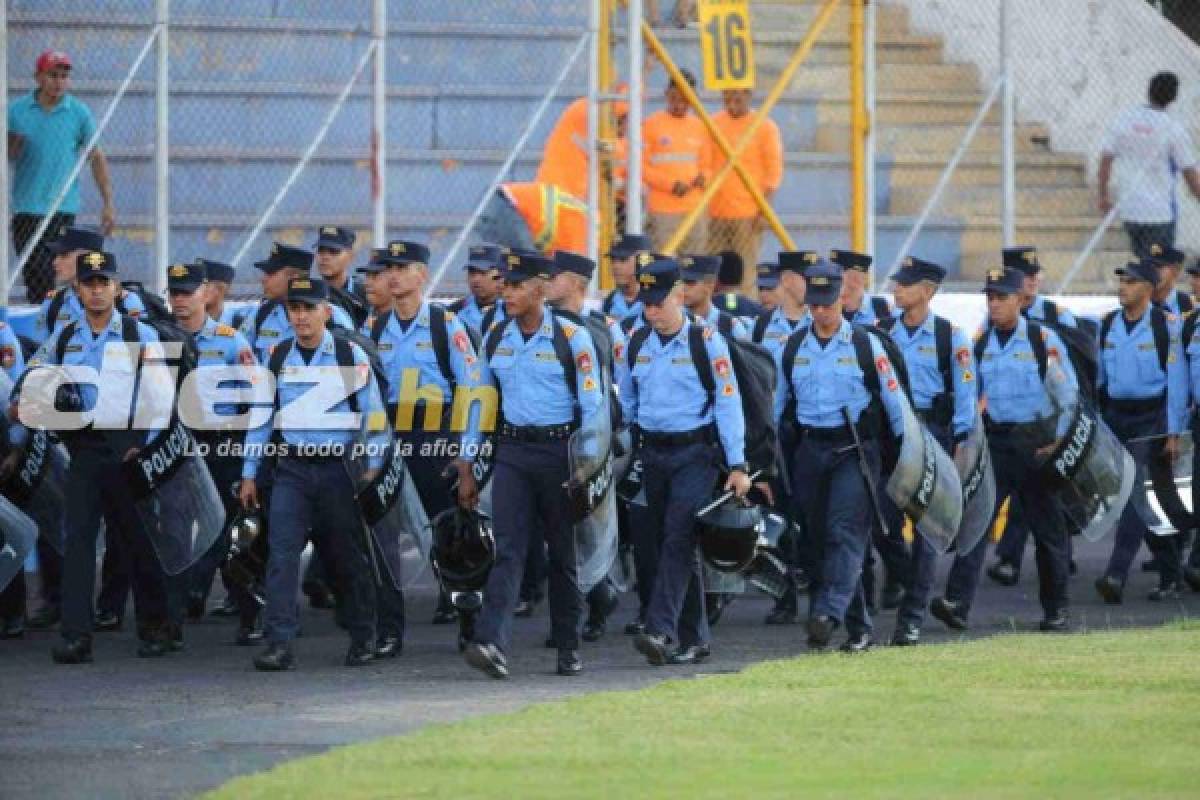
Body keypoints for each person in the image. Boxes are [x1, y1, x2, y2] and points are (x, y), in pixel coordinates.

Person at [8, 250, 169, 663]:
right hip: (83, 450)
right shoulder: (63, 338)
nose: (97, 291)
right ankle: (76, 635)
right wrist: (26, 398)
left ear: (116, 287)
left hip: (127, 449)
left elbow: (161, 398)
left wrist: (144, 444)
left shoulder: (139, 336)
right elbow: (31, 376)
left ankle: (156, 627)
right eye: (89, 283)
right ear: (77, 289)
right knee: (76, 542)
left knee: (137, 542)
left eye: (104, 283)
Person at [464, 251, 605, 679]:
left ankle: (568, 645)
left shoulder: (571, 338)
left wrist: (588, 465)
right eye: (504, 284)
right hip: (512, 453)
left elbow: (593, 405)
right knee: (507, 549)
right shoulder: (494, 336)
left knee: (563, 554)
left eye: (517, 285)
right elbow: (481, 402)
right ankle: (491, 642)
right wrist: (468, 461)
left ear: (540, 289)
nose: (507, 293)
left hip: (561, 454)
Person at [238, 277, 390, 671]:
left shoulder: (348, 356)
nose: (301, 316)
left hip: (338, 469)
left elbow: (373, 415)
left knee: (346, 557)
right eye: (295, 309)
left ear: (327, 311)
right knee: (281, 555)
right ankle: (279, 643)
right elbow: (260, 418)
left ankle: (363, 635)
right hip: (292, 470)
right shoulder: (276, 356)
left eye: (309, 308)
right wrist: (250, 472)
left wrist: (373, 466)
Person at [621, 255, 751, 665]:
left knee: (678, 536)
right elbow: (627, 401)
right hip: (652, 454)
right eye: (647, 302)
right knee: (669, 544)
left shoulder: (706, 342)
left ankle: (659, 629)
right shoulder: (635, 342)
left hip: (695, 454)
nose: (652, 310)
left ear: (679, 294)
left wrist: (737, 464)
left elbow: (729, 404)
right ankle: (695, 638)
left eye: (659, 301)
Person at [931, 267, 1077, 633]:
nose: (994, 304)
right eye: (990, 297)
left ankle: (1055, 608)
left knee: (1048, 531)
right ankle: (957, 604)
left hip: (1037, 443)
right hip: (996, 442)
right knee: (975, 522)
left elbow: (1068, 395)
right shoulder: (981, 344)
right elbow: (969, 394)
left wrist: (1060, 442)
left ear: (1021, 300)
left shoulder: (1043, 340)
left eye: (1002, 297)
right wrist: (964, 439)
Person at [773, 259, 906, 652]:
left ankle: (827, 613)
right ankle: (859, 627)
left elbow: (895, 404)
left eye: (827, 304)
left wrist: (904, 459)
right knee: (815, 540)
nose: (820, 312)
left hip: (855, 450)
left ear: (842, 300)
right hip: (811, 450)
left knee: (844, 534)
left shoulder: (867, 344)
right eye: (814, 304)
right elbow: (778, 407)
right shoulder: (794, 347)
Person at [364, 240, 483, 636]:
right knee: (384, 530)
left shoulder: (445, 326)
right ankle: (389, 630)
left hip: (434, 435)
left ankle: (465, 612)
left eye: (403, 266)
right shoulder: (373, 328)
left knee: (445, 527)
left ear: (422, 275)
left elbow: (471, 390)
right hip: (390, 435)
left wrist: (466, 455)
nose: (393, 275)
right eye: (388, 268)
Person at [880, 257, 978, 646]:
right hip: (892, 437)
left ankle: (912, 618)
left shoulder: (950, 337)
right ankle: (906, 580)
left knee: (926, 532)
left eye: (905, 284)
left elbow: (966, 395)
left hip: (933, 437)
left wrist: (960, 444)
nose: (896, 290)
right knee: (881, 523)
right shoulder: (883, 332)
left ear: (927, 290)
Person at [163, 261, 261, 643]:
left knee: (230, 532)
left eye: (188, 292)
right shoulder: (161, 341)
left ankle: (249, 613)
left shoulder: (230, 340)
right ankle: (170, 622)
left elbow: (255, 399)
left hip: (222, 445)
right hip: (179, 446)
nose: (181, 300)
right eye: (175, 293)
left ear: (205, 293)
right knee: (173, 531)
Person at [1093, 258, 1188, 604]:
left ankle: (1116, 573)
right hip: (1118, 416)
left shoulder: (1167, 327)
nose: (1123, 288)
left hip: (1153, 417)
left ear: (1148, 289)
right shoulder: (1107, 327)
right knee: (1144, 501)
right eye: (1121, 281)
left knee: (1135, 494)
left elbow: (1177, 383)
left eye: (1131, 282)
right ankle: (1172, 572)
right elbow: (1100, 381)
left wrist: (1173, 429)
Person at [546, 249, 629, 642]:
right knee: (565, 531)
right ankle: (595, 597)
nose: (548, 280)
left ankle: (593, 600)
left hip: (589, 440)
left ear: (577, 283)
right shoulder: (542, 324)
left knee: (586, 528)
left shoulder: (597, 330)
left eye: (556, 275)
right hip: (552, 438)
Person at [8, 50, 115, 304]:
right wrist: (12, 146)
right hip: (26, 206)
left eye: (64, 76)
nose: (58, 82)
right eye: (52, 75)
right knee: (33, 271)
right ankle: (43, 318)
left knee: (52, 270)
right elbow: (9, 153)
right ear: (38, 77)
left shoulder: (77, 112)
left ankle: (54, 317)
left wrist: (108, 202)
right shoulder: (17, 111)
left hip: (61, 207)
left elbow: (95, 156)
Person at [1098, 72, 1200, 258]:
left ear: (1149, 91)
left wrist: (1103, 195)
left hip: (1130, 210)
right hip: (1159, 214)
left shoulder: (1125, 119)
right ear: (1174, 97)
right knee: (1158, 272)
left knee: (1144, 267)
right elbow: (1190, 173)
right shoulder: (1173, 129)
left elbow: (1106, 159)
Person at [708, 89, 783, 291]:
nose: (732, 105)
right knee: (713, 271)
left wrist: (763, 211)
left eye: (737, 100)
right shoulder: (713, 123)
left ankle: (746, 312)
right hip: (715, 212)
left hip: (748, 214)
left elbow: (773, 173)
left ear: (749, 96)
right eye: (727, 100)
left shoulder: (765, 127)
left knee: (746, 271)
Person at [239, 242, 354, 362]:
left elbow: (349, 357)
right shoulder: (262, 313)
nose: (263, 279)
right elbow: (243, 357)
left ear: (294, 278)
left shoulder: (333, 315)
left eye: (270, 273)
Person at [642, 68, 712, 254]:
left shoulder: (700, 126)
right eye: (675, 98)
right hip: (663, 210)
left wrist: (703, 177)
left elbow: (708, 164)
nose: (679, 104)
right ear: (667, 94)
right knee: (662, 263)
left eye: (685, 99)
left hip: (694, 210)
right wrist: (670, 185)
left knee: (694, 267)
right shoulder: (651, 125)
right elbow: (641, 167)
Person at [474, 182, 587, 257]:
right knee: (528, 264)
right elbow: (575, 272)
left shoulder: (579, 214)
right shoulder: (585, 230)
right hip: (507, 205)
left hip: (498, 203)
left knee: (517, 266)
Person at [680, 254, 750, 338]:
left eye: (689, 282)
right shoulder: (671, 321)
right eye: (680, 282)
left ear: (709, 284)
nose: (683, 287)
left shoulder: (731, 327)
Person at [447, 244, 505, 338]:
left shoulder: (511, 311)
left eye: (483, 272)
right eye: (472, 272)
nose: (476, 279)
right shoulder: (454, 311)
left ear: (499, 275)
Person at [832, 249, 892, 325]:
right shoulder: (826, 307)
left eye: (838, 272)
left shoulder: (878, 307)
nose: (831, 276)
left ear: (857, 278)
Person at [602, 233, 651, 321]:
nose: (615, 266)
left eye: (623, 260)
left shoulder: (659, 302)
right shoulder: (608, 302)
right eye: (613, 260)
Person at [315, 226, 367, 304]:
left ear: (350, 256)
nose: (325, 257)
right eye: (321, 250)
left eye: (334, 251)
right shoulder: (309, 293)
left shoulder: (365, 294)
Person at [1147, 243, 1193, 316]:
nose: (1153, 271)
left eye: (1159, 266)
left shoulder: (1188, 306)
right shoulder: (1135, 301)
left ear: (1176, 270)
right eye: (1149, 265)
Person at [199, 259, 240, 326]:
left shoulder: (237, 323)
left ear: (222, 289)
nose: (195, 291)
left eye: (204, 285)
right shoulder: (183, 320)